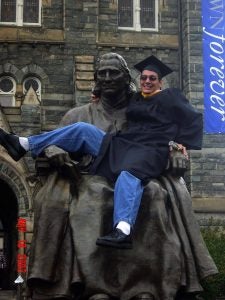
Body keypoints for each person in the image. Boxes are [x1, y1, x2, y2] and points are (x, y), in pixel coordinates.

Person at [3, 52, 217, 300]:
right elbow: (63, 136)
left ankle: (144, 282)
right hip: (110, 155)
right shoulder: (116, 105)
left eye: (113, 73)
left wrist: (180, 146)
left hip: (137, 160)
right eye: (102, 74)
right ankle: (23, 143)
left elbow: (189, 121)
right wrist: (54, 151)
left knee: (150, 192)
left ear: (131, 80)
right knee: (83, 140)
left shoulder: (164, 99)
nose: (107, 79)